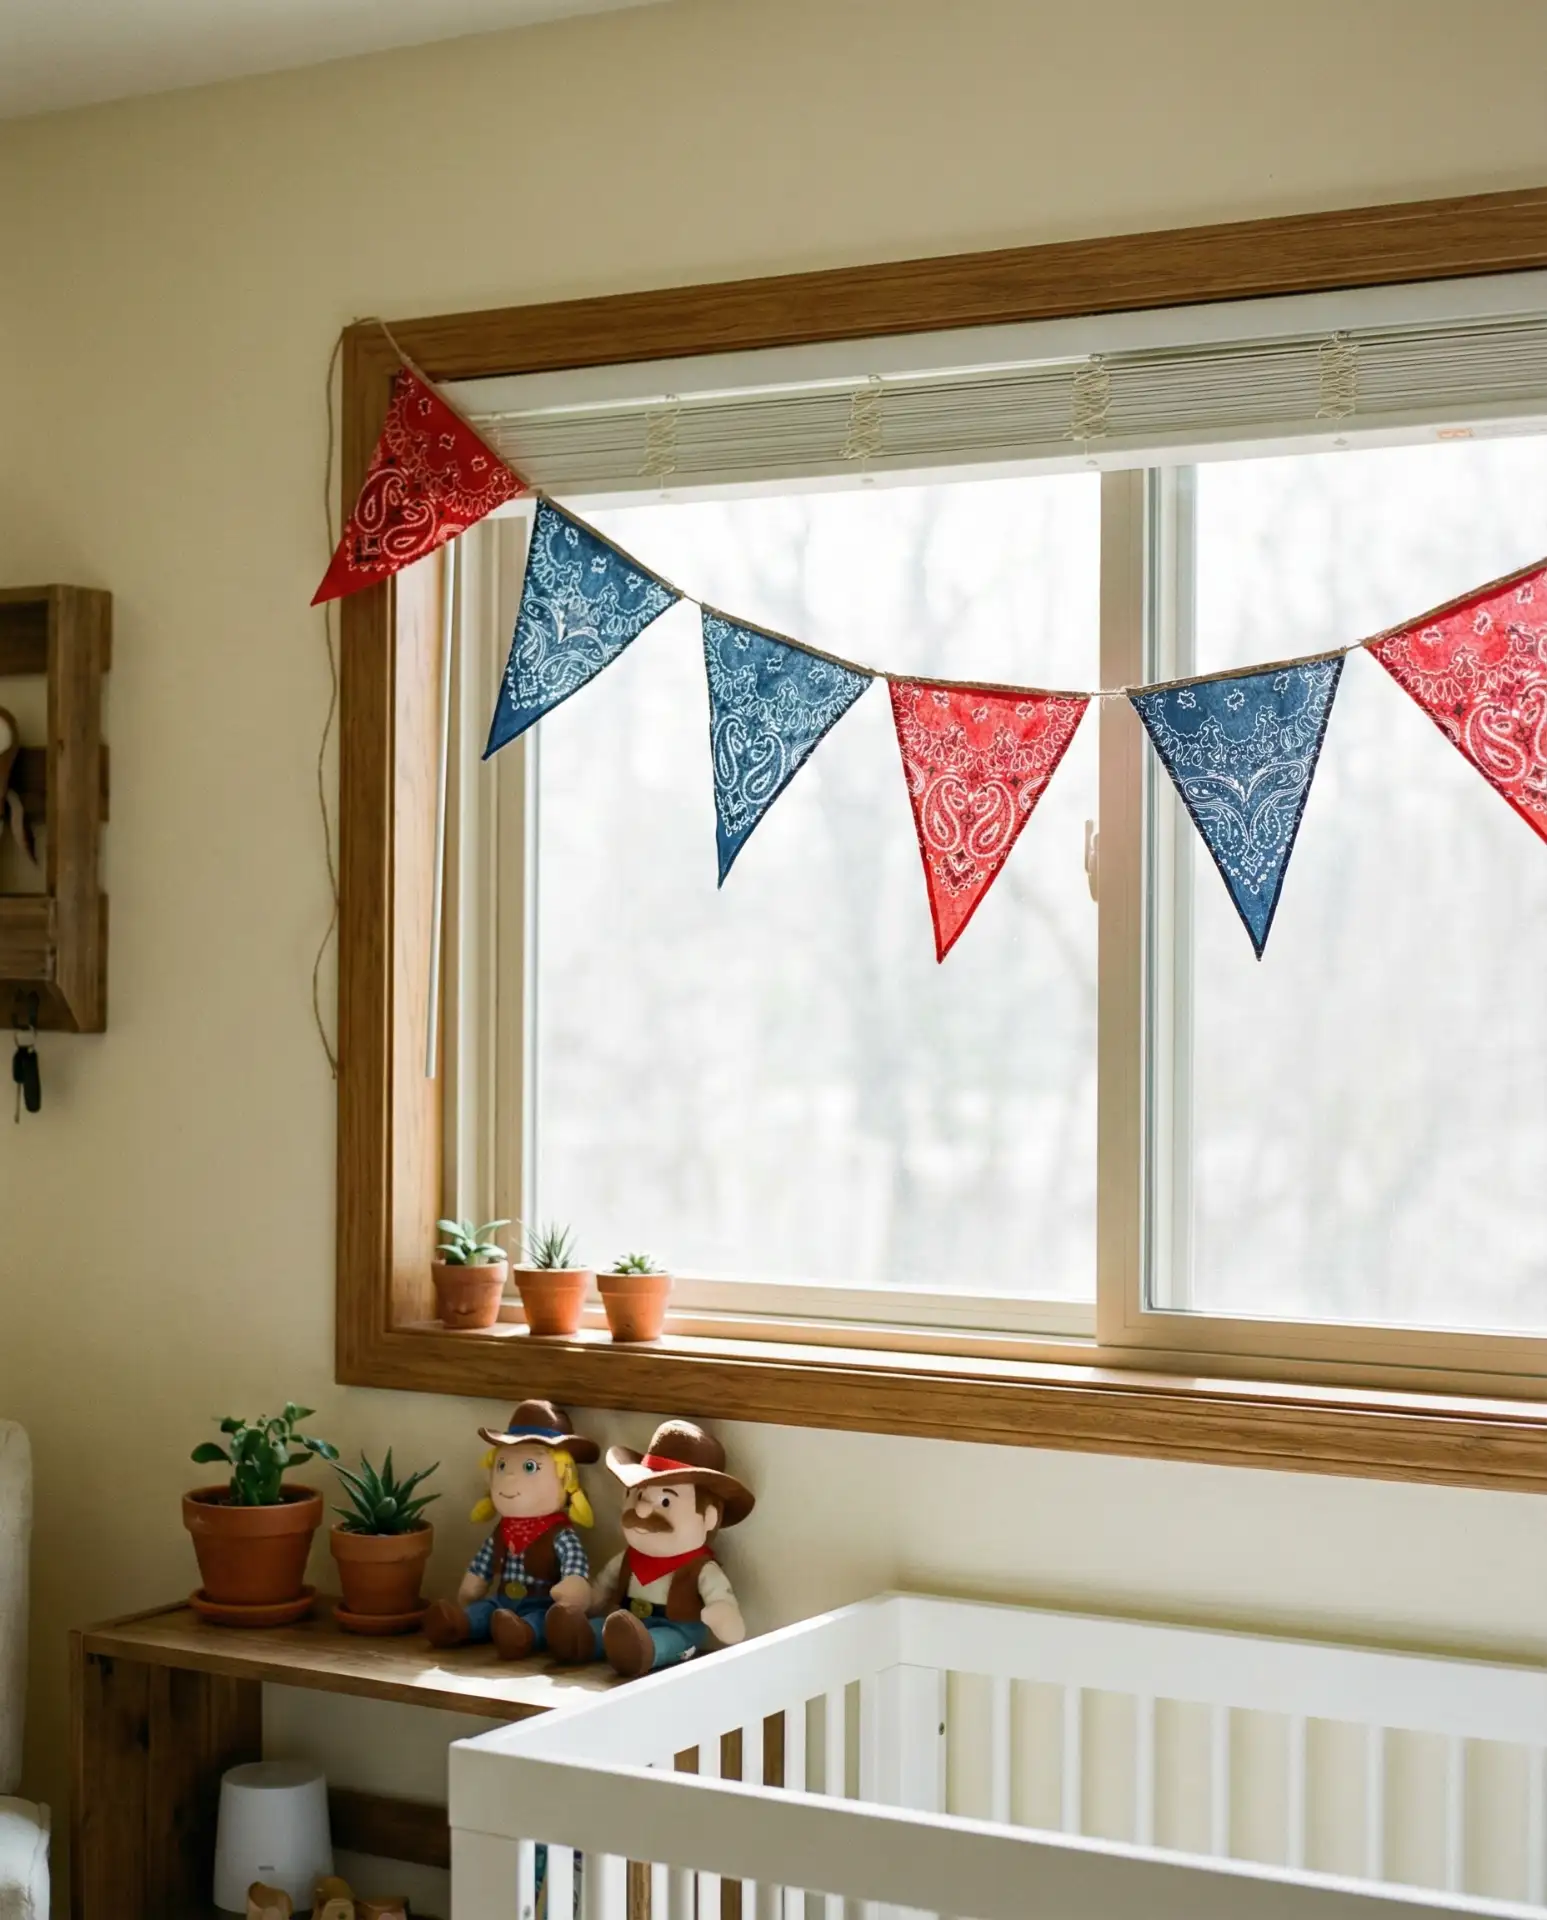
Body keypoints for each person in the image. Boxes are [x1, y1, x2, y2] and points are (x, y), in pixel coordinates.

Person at [546, 1420, 752, 1679]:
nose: (642, 1510)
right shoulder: (627, 1558)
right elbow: (601, 1589)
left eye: (665, 1500)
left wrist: (723, 1615)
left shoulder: (700, 1568)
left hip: (678, 1629)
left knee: (663, 1642)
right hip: (623, 1621)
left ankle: (639, 1652)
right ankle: (577, 1641)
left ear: (708, 1517)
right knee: (597, 1629)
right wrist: (582, 1602)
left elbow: (720, 1599)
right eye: (640, 1496)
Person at [423, 1399, 595, 1659]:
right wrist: (473, 1584)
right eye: (502, 1466)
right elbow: (482, 1564)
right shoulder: (501, 1531)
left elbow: (574, 1566)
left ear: (565, 1478)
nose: (510, 1478)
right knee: (482, 1611)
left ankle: (521, 1635)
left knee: (539, 1621)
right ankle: (456, 1626)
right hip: (501, 1601)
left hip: (540, 1603)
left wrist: (572, 1588)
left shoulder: (560, 1535)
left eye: (529, 1467)